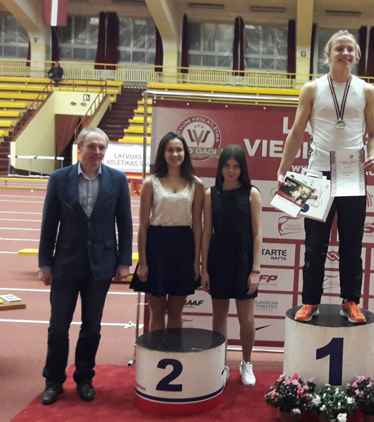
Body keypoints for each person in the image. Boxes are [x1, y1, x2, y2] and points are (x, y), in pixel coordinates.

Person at [276, 30, 374, 324]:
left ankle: (351, 302)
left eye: (350, 49)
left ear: (356, 55)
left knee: (352, 244)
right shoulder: (312, 89)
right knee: (314, 244)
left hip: (351, 173)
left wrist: (373, 153)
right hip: (316, 175)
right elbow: (297, 131)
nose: (345, 53)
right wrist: (283, 169)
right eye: (339, 49)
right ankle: (310, 301)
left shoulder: (367, 91)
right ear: (328, 54)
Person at [38, 127, 133, 404]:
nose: (97, 152)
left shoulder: (118, 180)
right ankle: (54, 381)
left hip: (101, 265)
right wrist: (45, 264)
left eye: (102, 147)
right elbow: (49, 223)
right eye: (92, 146)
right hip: (65, 264)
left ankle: (84, 378)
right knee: (58, 327)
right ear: (80, 147)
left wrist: (124, 261)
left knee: (92, 327)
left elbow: (125, 223)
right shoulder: (59, 179)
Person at [130, 132, 204, 331]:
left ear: (185, 153)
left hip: (183, 247)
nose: (175, 154)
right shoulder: (150, 183)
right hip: (156, 247)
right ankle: (156, 351)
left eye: (179, 150)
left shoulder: (196, 184)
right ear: (163, 154)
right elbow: (143, 226)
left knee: (176, 313)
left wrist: (196, 262)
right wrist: (143, 263)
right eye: (170, 150)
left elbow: (198, 226)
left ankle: (173, 349)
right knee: (156, 313)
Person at [201, 145, 262, 387]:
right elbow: (207, 233)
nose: (231, 170)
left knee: (246, 318)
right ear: (220, 167)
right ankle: (221, 364)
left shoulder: (252, 193)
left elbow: (257, 234)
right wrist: (204, 269)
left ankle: (246, 362)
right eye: (227, 165)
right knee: (219, 315)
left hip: (243, 258)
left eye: (236, 166)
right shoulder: (210, 193)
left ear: (242, 168)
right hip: (218, 257)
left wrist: (255, 270)